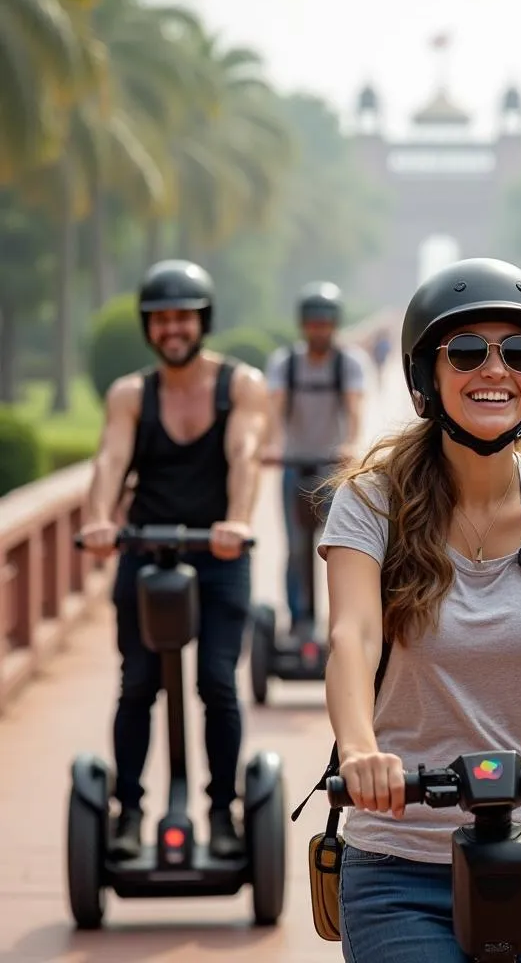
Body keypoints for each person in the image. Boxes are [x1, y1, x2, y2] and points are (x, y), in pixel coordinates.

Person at [318, 258, 521, 962]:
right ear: (427, 375)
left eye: (517, 353)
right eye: (466, 351)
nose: (494, 370)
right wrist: (361, 751)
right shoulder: (372, 502)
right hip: (400, 859)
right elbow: (352, 634)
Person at [79, 260, 269, 860]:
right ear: (147, 328)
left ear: (202, 321)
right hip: (145, 550)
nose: (172, 330)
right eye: (160, 320)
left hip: (218, 552)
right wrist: (98, 519)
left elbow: (243, 452)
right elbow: (110, 462)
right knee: (136, 684)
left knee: (217, 682)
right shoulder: (132, 394)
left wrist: (237, 521)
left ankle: (220, 811)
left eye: (182, 318)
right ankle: (129, 810)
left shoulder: (240, 385)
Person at [263, 282, 365, 628]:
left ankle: (341, 619)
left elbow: (353, 409)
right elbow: (273, 410)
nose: (319, 329)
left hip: (333, 469)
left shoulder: (348, 363)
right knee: (295, 546)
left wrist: (350, 443)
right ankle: (299, 620)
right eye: (313, 322)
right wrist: (273, 444)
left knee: (338, 546)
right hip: (294, 465)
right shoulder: (286, 363)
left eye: (325, 323)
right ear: (303, 324)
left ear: (335, 324)